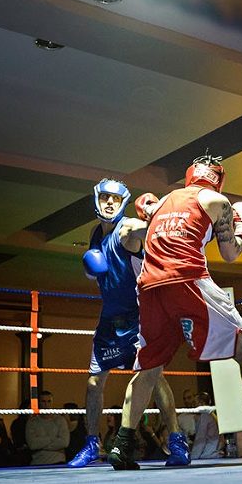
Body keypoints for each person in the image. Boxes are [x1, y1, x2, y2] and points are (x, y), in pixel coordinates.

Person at [108, 154, 242, 470]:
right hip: (187, 279)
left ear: (188, 175)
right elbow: (231, 253)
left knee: (149, 368)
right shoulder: (217, 201)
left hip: (150, 290)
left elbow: (134, 233)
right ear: (219, 178)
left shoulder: (164, 201)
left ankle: (123, 446)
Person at [67, 178, 186, 468]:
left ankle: (176, 440)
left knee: (154, 378)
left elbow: (155, 227)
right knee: (94, 382)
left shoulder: (128, 229)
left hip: (139, 315)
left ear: (123, 204)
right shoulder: (95, 233)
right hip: (110, 317)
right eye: (105, 197)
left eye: (116, 200)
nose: (110, 203)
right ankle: (92, 444)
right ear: (96, 200)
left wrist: (160, 210)